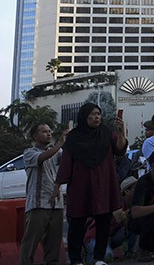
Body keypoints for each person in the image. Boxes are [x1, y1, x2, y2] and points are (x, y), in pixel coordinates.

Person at [55, 102, 128, 265]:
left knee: (103, 220)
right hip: (81, 185)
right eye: (93, 114)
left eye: (98, 114)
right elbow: (66, 162)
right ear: (84, 116)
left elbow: (120, 149)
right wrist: (57, 185)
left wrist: (121, 131)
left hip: (103, 183)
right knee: (77, 221)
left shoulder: (107, 132)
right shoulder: (74, 136)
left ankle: (99, 258)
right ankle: (75, 259)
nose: (97, 117)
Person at [20, 123, 65, 265]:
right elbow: (42, 157)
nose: (49, 134)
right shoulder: (29, 152)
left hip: (56, 203)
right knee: (30, 241)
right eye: (44, 132)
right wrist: (59, 144)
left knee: (53, 242)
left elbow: (67, 160)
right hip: (38, 203)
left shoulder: (57, 152)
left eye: (49, 131)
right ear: (35, 136)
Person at [83, 176, 139, 263]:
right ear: (127, 191)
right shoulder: (117, 202)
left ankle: (130, 253)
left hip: (111, 236)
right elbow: (120, 217)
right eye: (137, 189)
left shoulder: (130, 205)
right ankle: (90, 258)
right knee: (107, 257)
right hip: (95, 237)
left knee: (135, 224)